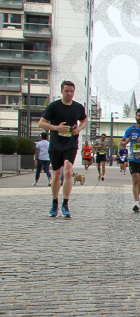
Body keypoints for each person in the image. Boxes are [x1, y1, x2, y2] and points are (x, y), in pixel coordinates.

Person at [38, 81, 88, 218]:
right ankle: (54, 202)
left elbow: (84, 120)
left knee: (67, 171)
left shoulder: (78, 107)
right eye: (66, 91)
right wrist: (56, 128)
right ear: (62, 91)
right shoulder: (54, 106)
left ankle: (65, 204)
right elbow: (41, 123)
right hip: (56, 144)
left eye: (71, 91)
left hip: (71, 144)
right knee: (57, 173)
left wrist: (79, 129)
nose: (69, 93)